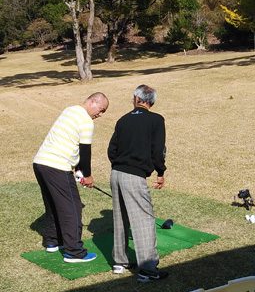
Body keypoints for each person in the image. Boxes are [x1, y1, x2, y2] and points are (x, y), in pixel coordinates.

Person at [33, 92, 109, 263]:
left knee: (53, 205)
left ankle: (52, 241)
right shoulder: (86, 121)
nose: (100, 114)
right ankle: (74, 252)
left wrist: (77, 169)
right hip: (57, 166)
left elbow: (68, 142)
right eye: (101, 110)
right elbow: (85, 152)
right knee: (73, 208)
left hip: (40, 163)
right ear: (92, 102)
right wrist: (87, 175)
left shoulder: (70, 110)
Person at [108, 85, 168, 282]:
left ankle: (120, 262)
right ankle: (147, 269)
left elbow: (112, 150)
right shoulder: (156, 120)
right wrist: (160, 171)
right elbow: (158, 150)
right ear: (151, 101)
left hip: (116, 173)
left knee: (120, 217)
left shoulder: (123, 120)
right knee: (144, 220)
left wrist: (120, 164)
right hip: (134, 176)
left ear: (136, 98)